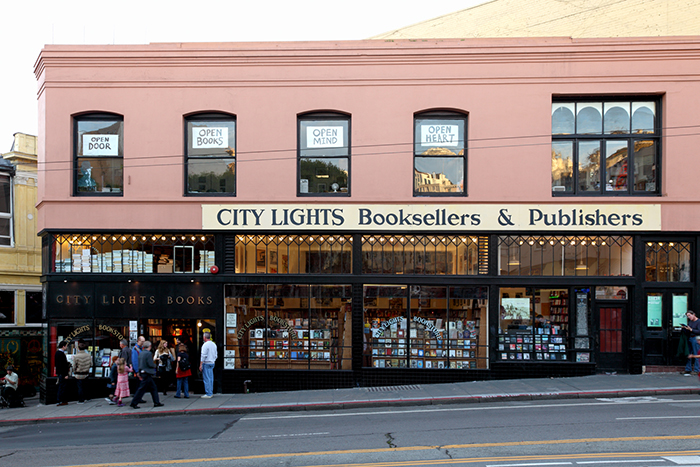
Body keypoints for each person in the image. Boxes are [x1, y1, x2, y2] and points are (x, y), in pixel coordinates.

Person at [130, 341, 163, 409]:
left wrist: (138, 372)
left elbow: (139, 363)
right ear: (150, 346)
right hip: (147, 373)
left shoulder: (141, 353)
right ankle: (134, 402)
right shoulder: (148, 353)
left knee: (153, 387)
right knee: (142, 389)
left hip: (143, 372)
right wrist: (154, 365)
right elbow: (150, 364)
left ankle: (156, 402)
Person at [106, 339, 132, 404]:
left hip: (120, 377)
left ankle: (117, 398)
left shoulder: (124, 351)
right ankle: (116, 398)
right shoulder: (129, 350)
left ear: (122, 344)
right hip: (124, 376)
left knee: (119, 388)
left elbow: (123, 360)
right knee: (121, 388)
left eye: (120, 344)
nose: (119, 345)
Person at [72, 339, 92, 404]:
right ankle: (88, 398)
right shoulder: (88, 355)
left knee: (80, 387)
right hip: (86, 373)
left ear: (78, 348)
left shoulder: (76, 356)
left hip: (78, 374)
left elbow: (74, 366)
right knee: (86, 386)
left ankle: (81, 400)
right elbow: (91, 364)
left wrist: (74, 371)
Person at [199, 332, 217, 398]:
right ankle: (210, 392)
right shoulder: (214, 344)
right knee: (211, 378)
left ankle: (208, 393)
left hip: (206, 363)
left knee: (206, 379)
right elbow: (216, 355)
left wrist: (201, 364)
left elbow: (203, 355)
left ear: (204, 337)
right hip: (212, 362)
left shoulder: (205, 345)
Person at [683, 310, 700, 375]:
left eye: (690, 315)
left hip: (696, 338)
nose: (689, 317)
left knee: (696, 353)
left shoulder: (698, 321)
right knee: (689, 353)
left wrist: (691, 330)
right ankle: (688, 369)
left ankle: (697, 370)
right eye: (688, 316)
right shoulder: (690, 322)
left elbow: (699, 331)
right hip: (690, 338)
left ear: (694, 314)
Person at [55, 340, 70, 406]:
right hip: (62, 374)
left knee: (61, 387)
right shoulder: (61, 354)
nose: (66, 347)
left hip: (60, 373)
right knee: (62, 387)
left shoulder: (57, 353)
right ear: (63, 346)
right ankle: (61, 400)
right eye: (66, 346)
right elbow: (63, 365)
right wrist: (65, 374)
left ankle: (60, 400)